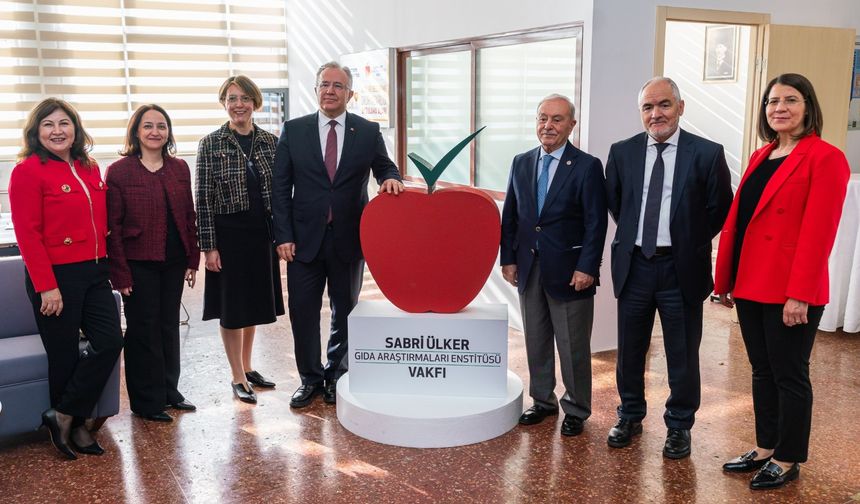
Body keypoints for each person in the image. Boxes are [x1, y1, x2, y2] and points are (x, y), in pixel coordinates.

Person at [714, 73, 850, 490]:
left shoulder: (826, 158)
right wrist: (727, 278)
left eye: (791, 100)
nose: (780, 108)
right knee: (760, 371)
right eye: (773, 101)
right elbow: (742, 224)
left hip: (791, 289)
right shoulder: (761, 155)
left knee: (790, 374)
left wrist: (800, 295)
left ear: (808, 106)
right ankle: (766, 446)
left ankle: (789, 457)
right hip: (753, 283)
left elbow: (819, 232)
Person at [604, 77, 732, 459]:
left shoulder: (707, 153)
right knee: (629, 350)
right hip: (636, 266)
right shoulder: (622, 152)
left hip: (681, 270)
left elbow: (718, 209)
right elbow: (618, 204)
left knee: (682, 352)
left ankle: (679, 425)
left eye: (663, 105)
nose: (655, 113)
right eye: (648, 107)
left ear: (680, 106)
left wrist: (688, 242)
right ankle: (629, 415)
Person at [272, 61, 403, 408]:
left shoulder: (367, 131)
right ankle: (309, 378)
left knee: (345, 311)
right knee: (303, 310)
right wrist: (282, 235)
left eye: (338, 86)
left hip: (348, 239)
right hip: (302, 241)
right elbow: (280, 188)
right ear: (315, 90)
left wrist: (392, 178)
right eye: (324, 85)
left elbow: (385, 166)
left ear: (350, 93)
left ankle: (336, 375)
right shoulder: (294, 130)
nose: (330, 91)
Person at [8, 98, 124, 459]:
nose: (57, 131)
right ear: (36, 131)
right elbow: (27, 234)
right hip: (55, 276)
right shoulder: (27, 171)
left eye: (64, 123)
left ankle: (62, 414)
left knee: (109, 341)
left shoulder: (89, 167)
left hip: (94, 269)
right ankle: (72, 427)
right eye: (48, 125)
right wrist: (46, 285)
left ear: (76, 128)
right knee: (63, 356)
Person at [500, 94, 607, 437]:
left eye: (557, 119)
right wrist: (509, 258)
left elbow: (596, 223)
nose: (548, 125)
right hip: (529, 269)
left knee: (573, 345)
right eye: (542, 118)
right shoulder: (521, 161)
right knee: (536, 339)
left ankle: (576, 407)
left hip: (571, 271)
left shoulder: (588, 166)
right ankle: (543, 400)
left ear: (571, 125)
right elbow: (511, 216)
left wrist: (587, 266)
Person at [106, 104, 200, 422]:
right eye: (148, 126)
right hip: (137, 264)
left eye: (161, 126)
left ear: (168, 132)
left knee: (168, 326)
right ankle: (146, 402)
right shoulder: (119, 171)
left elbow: (189, 215)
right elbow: (113, 228)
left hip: (173, 261)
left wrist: (192, 258)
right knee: (143, 331)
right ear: (136, 132)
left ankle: (169, 391)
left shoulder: (179, 168)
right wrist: (120, 273)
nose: (155, 132)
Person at [196, 75, 285, 404]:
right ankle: (236, 375)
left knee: (253, 305)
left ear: (255, 103)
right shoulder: (211, 143)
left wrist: (281, 236)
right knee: (232, 309)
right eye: (232, 98)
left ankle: (248, 368)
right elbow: (203, 198)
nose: (239, 105)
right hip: (228, 235)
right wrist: (209, 247)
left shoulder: (270, 142)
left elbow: (279, 192)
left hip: (260, 234)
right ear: (224, 103)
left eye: (245, 98)